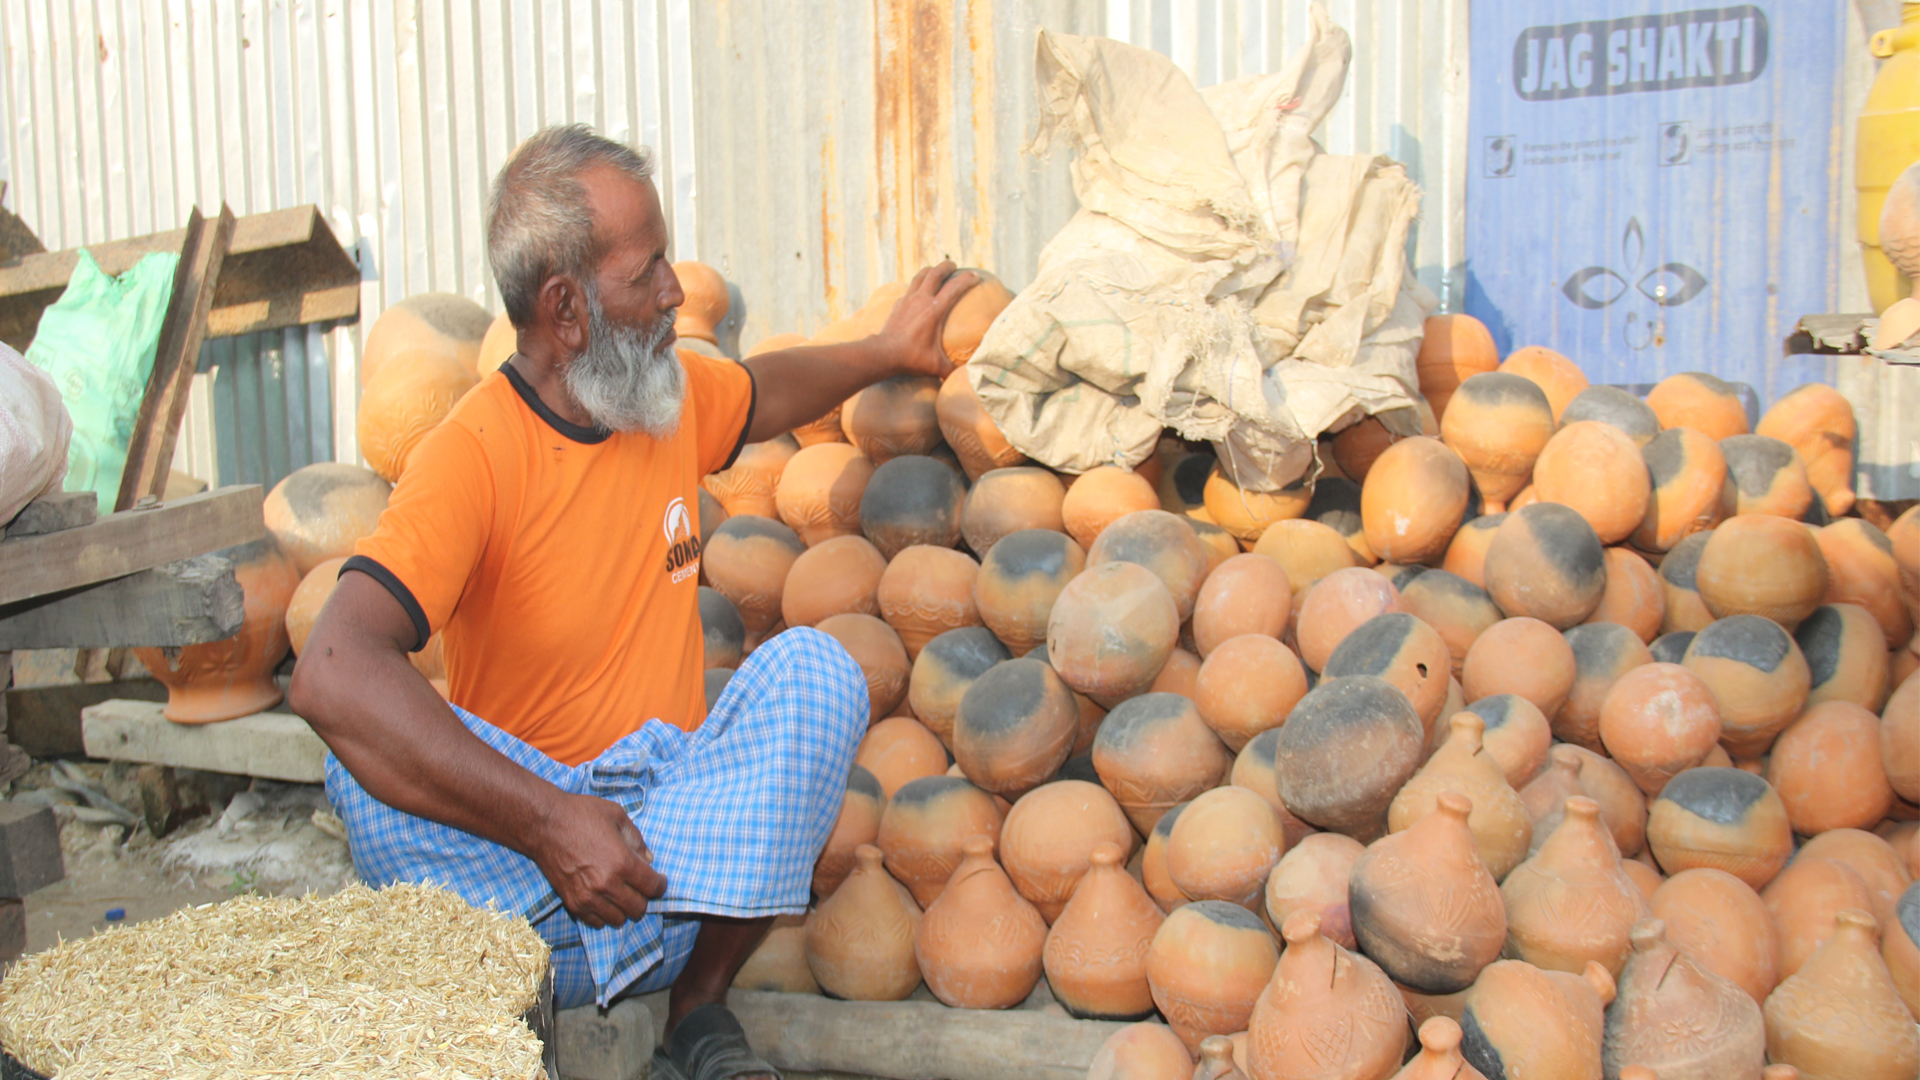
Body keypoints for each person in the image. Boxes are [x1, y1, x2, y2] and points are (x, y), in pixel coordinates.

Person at [290, 123, 977, 1080]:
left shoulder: (658, 395)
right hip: (525, 861)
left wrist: (883, 348)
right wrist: (547, 822)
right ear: (566, 309)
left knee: (817, 673)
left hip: (667, 846)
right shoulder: (471, 455)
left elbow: (763, 392)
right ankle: (526, 984)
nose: (673, 293)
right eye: (648, 270)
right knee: (354, 775)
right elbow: (329, 671)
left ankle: (694, 1013)